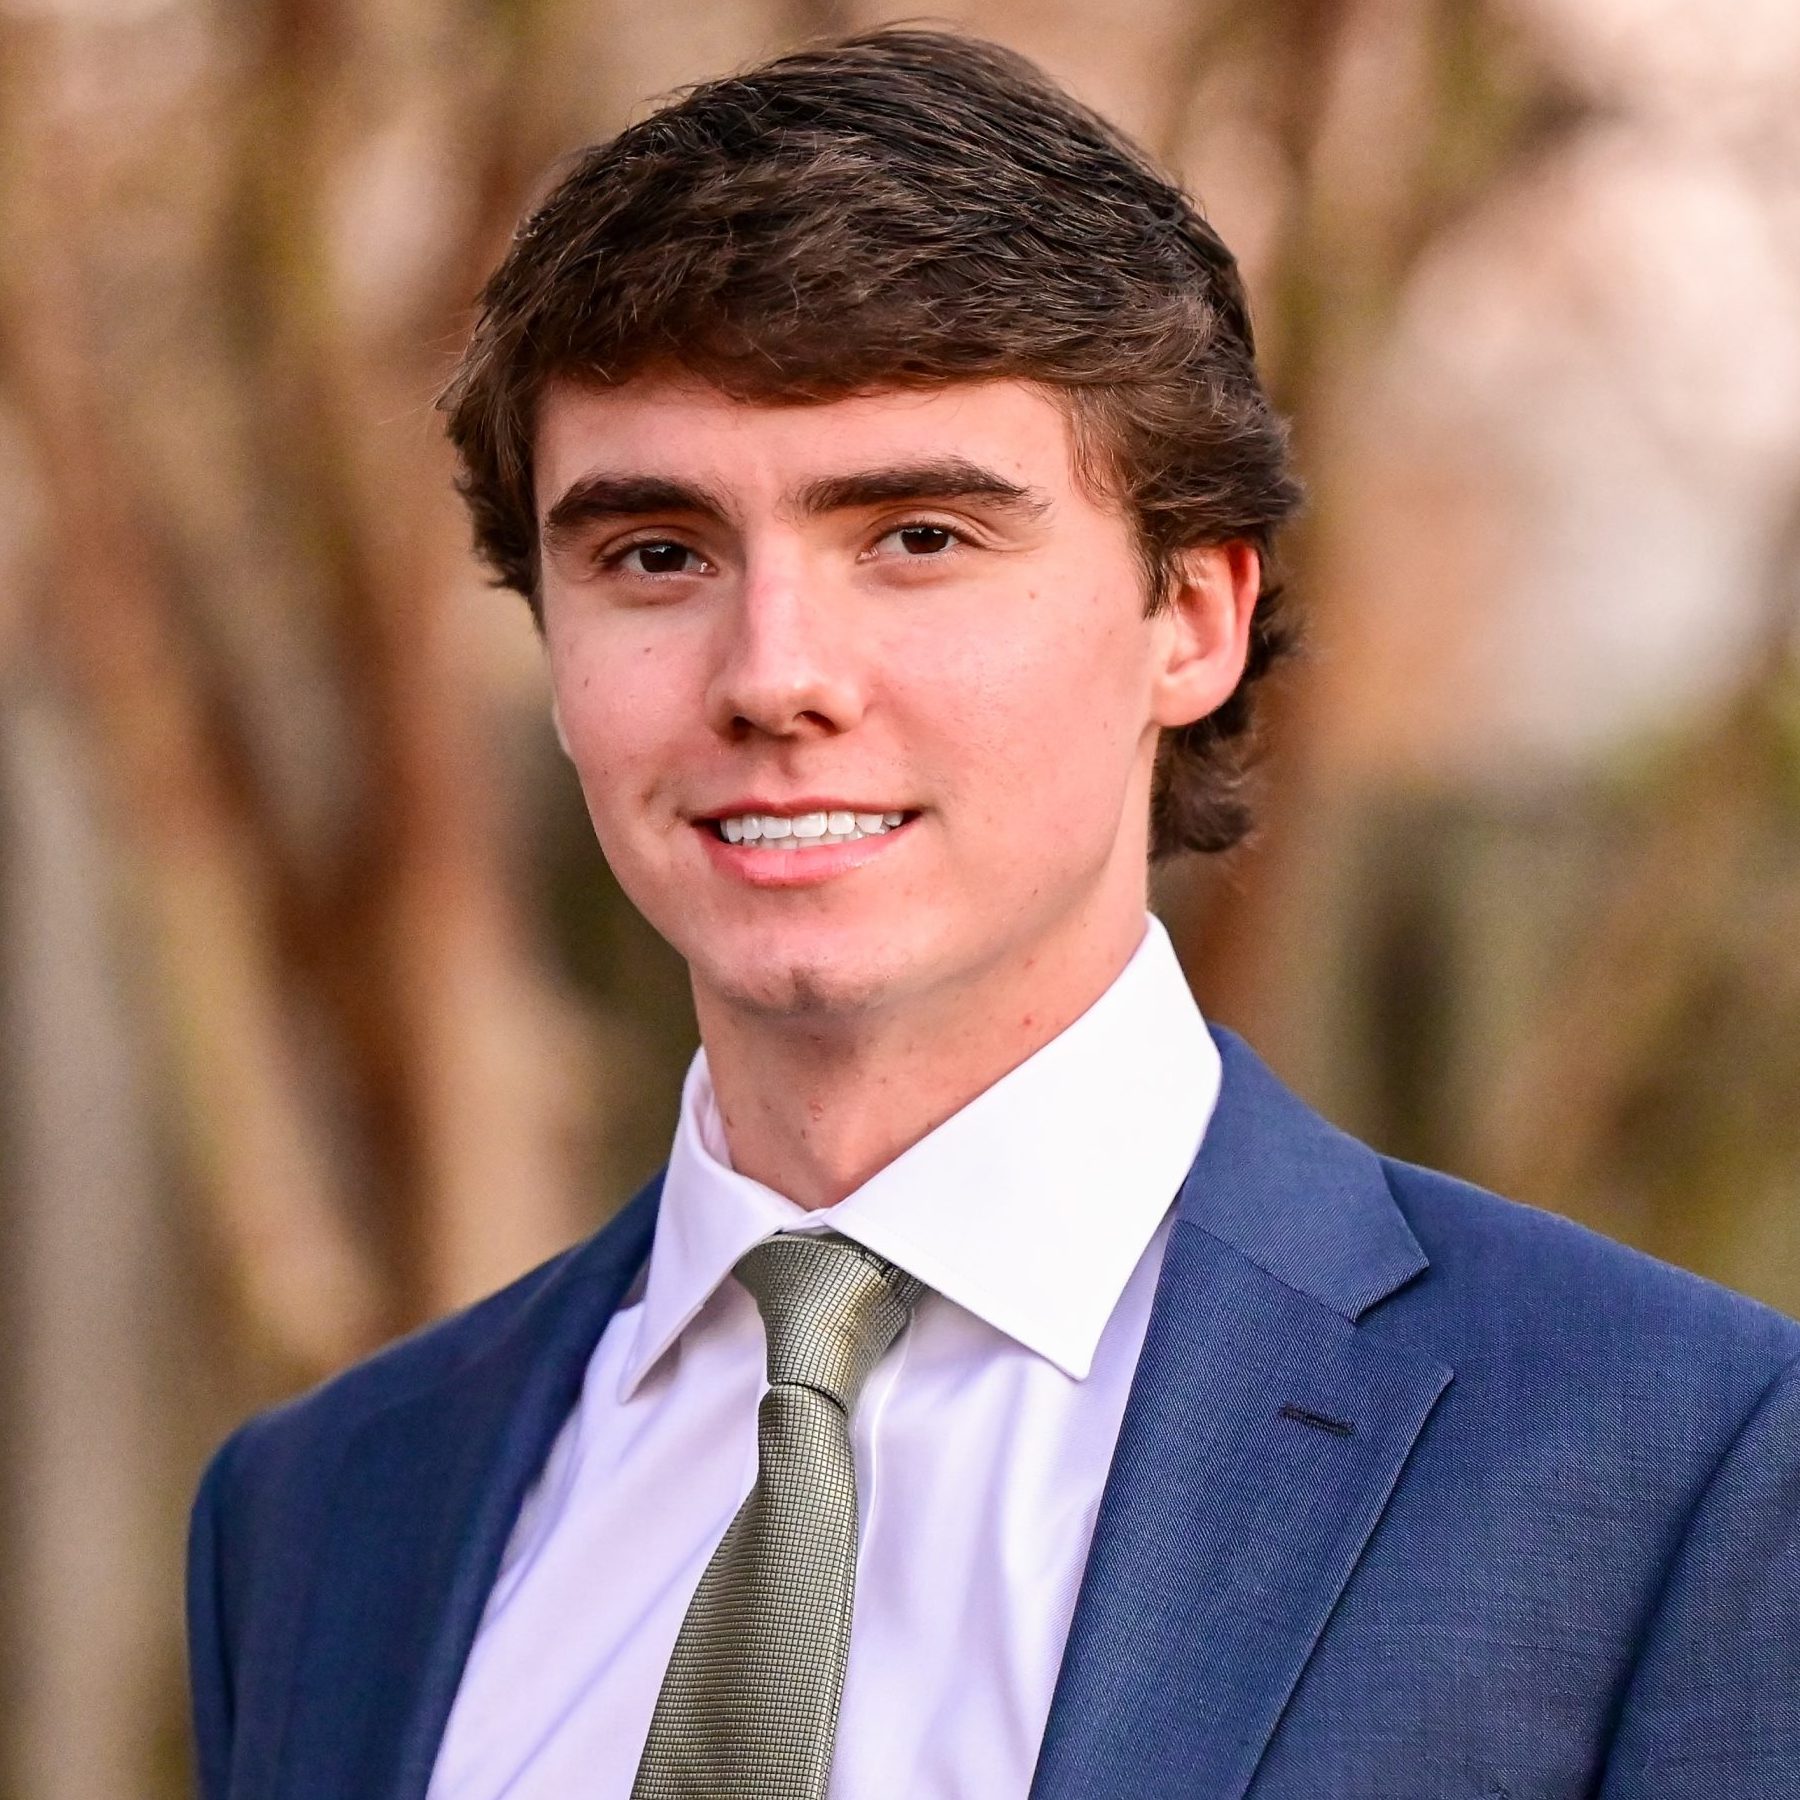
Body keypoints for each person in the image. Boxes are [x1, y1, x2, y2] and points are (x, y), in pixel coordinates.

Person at [184, 28, 1800, 1800]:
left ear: (1191, 619)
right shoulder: (325, 1514)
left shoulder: (1672, 1467)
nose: (773, 675)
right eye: (657, 554)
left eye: (919, 537)